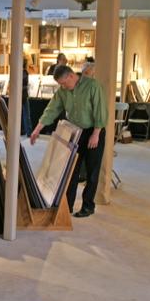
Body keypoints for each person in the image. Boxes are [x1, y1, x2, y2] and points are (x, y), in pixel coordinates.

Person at [30, 65, 107, 218]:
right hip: (74, 132)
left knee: (92, 171)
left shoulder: (92, 86)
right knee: (71, 170)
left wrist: (96, 133)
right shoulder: (63, 91)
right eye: (61, 85)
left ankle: (88, 206)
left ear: (71, 76)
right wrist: (37, 129)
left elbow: (100, 110)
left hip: (93, 131)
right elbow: (51, 109)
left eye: (64, 83)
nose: (63, 87)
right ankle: (67, 205)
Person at [22, 58, 32, 137]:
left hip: (19, 95)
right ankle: (28, 131)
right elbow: (25, 84)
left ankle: (21, 130)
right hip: (24, 95)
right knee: (26, 114)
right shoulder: (25, 72)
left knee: (21, 114)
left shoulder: (17, 72)